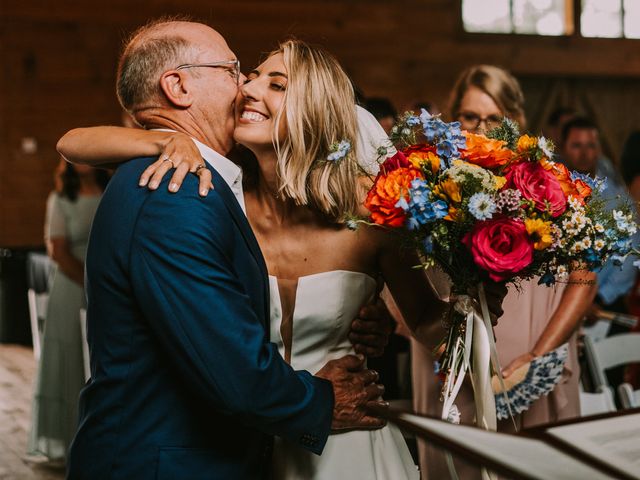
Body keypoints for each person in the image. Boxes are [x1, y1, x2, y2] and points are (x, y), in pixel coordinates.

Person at [58, 30, 510, 477]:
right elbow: (75, 141)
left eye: (275, 84)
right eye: (245, 75)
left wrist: (475, 312)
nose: (248, 89)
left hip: (344, 435)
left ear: (314, 108)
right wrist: (160, 139)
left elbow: (426, 320)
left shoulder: (372, 214)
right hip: (256, 429)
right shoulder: (209, 192)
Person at [409, 64, 597, 479]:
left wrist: (538, 353)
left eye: (493, 118)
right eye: (470, 117)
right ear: (453, 120)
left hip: (533, 356)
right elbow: (396, 277)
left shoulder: (549, 185)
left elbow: (584, 279)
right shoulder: (427, 183)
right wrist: (445, 346)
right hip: (450, 357)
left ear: (514, 120)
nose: (480, 128)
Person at [27, 158, 108, 464]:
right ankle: (67, 439)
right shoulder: (60, 198)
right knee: (70, 355)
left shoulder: (111, 190)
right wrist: (89, 282)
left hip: (108, 280)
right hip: (72, 285)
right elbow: (57, 250)